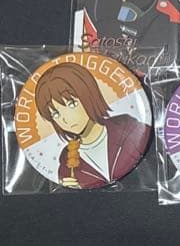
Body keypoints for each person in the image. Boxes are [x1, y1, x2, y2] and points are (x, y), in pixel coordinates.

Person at [35, 62, 151, 190]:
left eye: (72, 104)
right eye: (55, 114)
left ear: (89, 94)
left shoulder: (127, 127)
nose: (65, 119)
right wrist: (69, 188)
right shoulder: (66, 160)